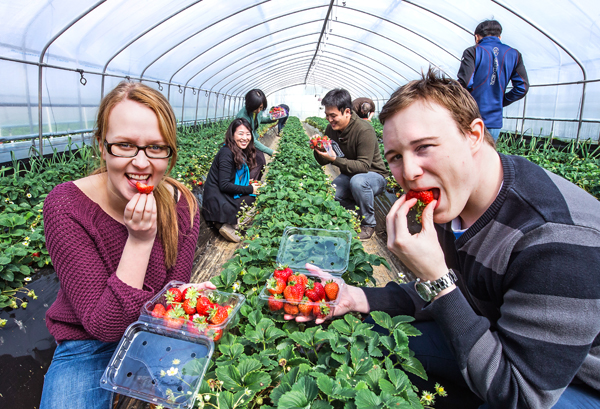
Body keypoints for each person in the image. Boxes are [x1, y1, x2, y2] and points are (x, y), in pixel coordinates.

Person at [294, 69, 600, 408]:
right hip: (496, 335)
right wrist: (357, 297)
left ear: (474, 136)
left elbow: (520, 395)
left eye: (424, 147)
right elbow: (455, 289)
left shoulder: (555, 239)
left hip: (565, 384)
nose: (408, 172)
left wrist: (436, 278)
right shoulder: (451, 199)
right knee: (377, 338)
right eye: (395, 156)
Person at [39, 82, 216, 409]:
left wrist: (184, 295)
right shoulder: (67, 206)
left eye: (156, 147)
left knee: (212, 396)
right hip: (87, 345)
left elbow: (166, 298)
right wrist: (139, 240)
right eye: (125, 145)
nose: (141, 163)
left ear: (170, 151)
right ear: (102, 146)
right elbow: (103, 326)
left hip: (156, 333)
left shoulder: (183, 206)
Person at [312, 88, 388, 240]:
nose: (329, 119)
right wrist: (318, 149)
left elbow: (363, 167)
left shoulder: (364, 129)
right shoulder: (331, 129)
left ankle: (369, 224)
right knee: (332, 192)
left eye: (333, 116)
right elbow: (323, 161)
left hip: (373, 176)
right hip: (350, 174)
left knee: (358, 182)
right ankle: (356, 213)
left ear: (347, 112)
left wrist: (334, 159)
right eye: (327, 115)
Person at [457, 19, 529, 142]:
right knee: (487, 156)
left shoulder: (473, 52)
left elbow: (466, 83)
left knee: (468, 155)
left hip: (471, 116)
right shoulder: (514, 54)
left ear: (477, 37)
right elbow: (522, 87)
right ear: (499, 37)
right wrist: (501, 101)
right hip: (494, 119)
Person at [202, 118, 260, 243]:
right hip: (217, 201)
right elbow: (224, 185)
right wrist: (250, 189)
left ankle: (227, 223)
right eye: (240, 134)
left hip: (222, 198)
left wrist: (248, 184)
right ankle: (231, 225)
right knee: (259, 198)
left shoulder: (235, 151)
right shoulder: (226, 153)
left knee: (254, 194)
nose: (244, 138)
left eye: (248, 134)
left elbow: (231, 178)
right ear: (232, 135)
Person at [235, 89, 276, 180]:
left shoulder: (257, 111)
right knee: (256, 163)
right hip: (244, 143)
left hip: (251, 141)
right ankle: (249, 187)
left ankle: (254, 185)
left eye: (261, 108)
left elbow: (260, 119)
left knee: (261, 162)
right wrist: (270, 152)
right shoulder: (243, 117)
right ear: (249, 105)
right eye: (256, 108)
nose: (258, 110)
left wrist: (272, 119)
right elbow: (251, 139)